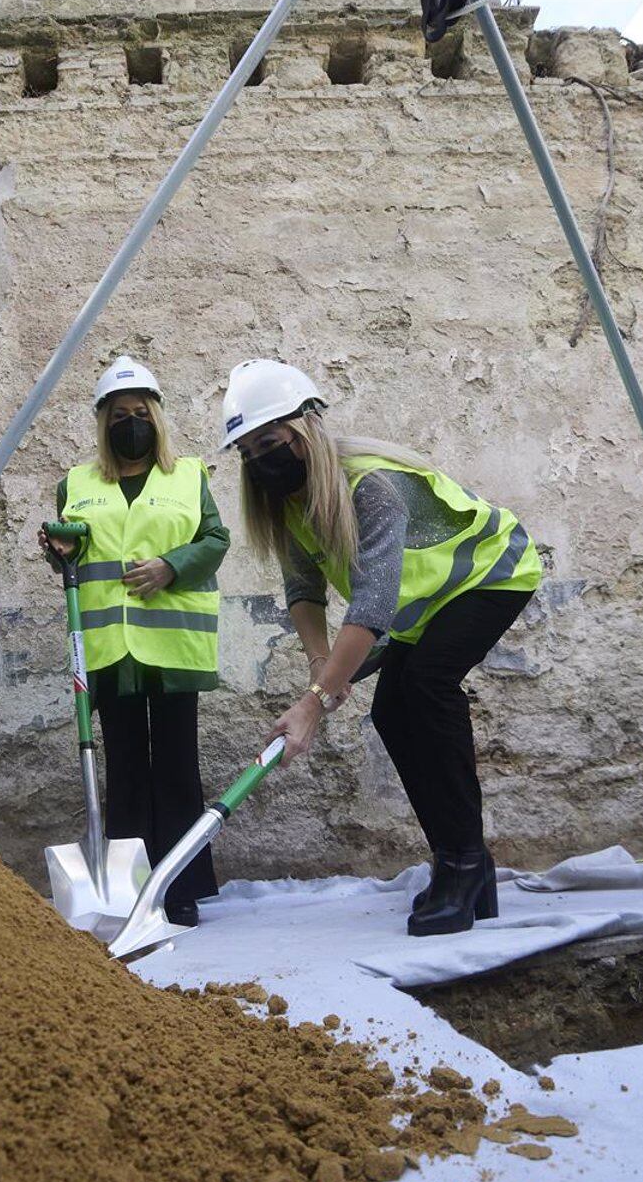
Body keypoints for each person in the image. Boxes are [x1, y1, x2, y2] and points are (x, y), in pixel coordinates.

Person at [222, 359, 542, 937]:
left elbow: (370, 607)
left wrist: (313, 704)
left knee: (425, 687)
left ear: (304, 431)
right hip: (425, 610)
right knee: (392, 711)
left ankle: (463, 866)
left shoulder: (372, 486)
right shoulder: (291, 502)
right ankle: (466, 865)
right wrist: (322, 666)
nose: (258, 461)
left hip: (493, 574)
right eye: (246, 452)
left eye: (268, 442)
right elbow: (303, 589)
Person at [38, 356, 230, 928]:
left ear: (157, 417)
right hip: (108, 651)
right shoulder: (76, 483)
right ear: (103, 422)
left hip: (172, 650)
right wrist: (58, 552)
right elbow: (71, 554)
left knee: (176, 765)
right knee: (123, 766)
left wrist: (172, 566)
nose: (131, 422)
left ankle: (181, 887)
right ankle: (131, 888)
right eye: (119, 414)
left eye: (140, 412)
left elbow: (215, 539)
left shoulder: (188, 476)